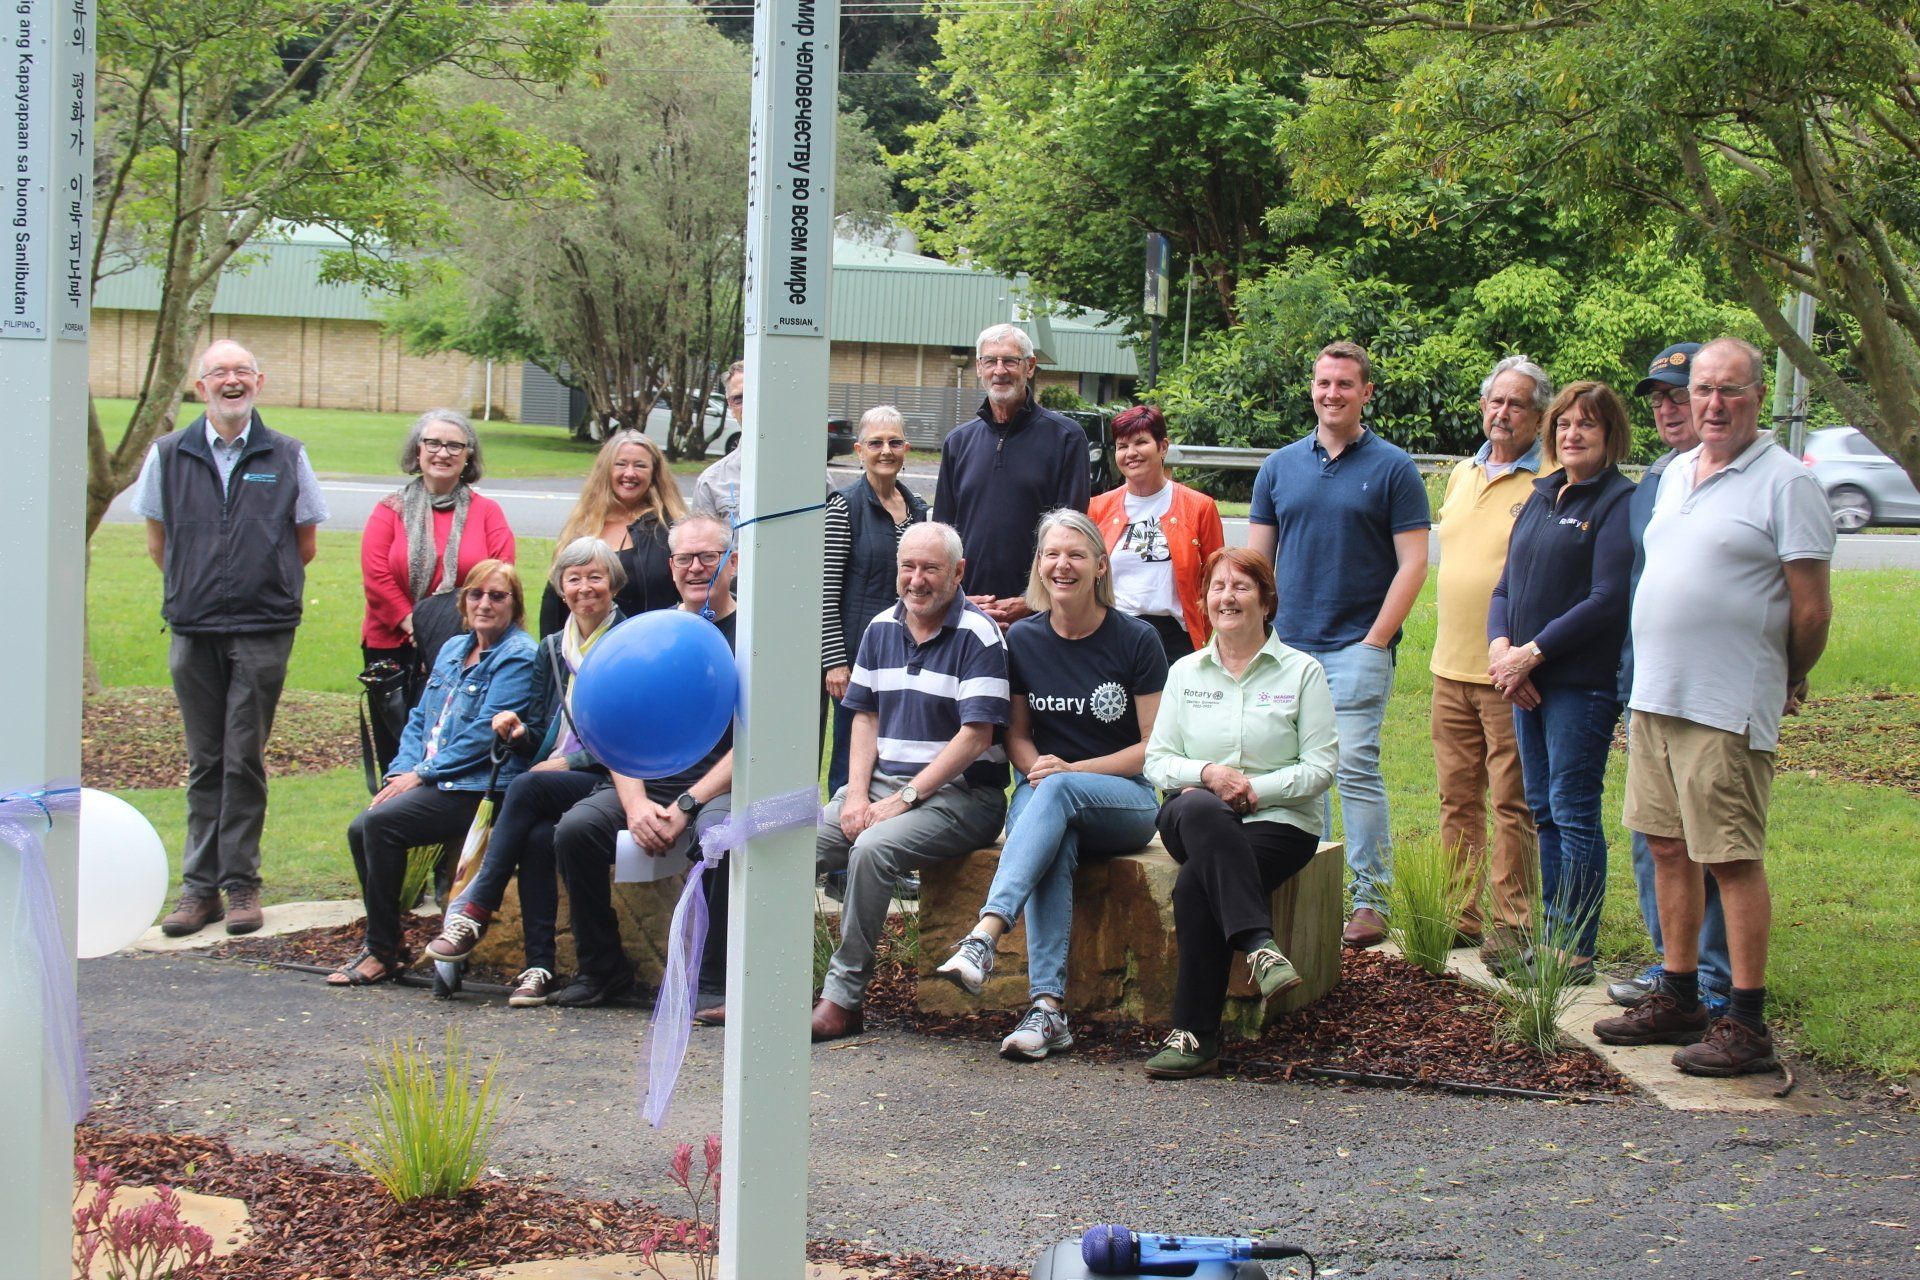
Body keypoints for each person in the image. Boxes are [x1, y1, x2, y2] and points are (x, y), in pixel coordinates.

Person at [1595, 338, 1834, 1076]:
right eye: (1703, 390)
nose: (1713, 404)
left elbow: (1813, 609)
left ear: (1758, 397)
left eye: (1730, 390)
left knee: (1729, 857)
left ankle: (1747, 1022)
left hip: (1727, 704)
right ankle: (1679, 994)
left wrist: (1782, 676)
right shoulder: (1676, 477)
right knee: (1666, 845)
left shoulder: (1786, 484)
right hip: (1657, 698)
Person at [932, 510, 1167, 1061]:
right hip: (1047, 796)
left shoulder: (1137, 639)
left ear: (1100, 566)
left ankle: (986, 935)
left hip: (1126, 801)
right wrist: (1043, 772)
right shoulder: (1025, 641)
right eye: (1051, 554)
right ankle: (1047, 1011)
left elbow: (1153, 747)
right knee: (1052, 835)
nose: (1063, 565)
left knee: (1055, 797)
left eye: (1076, 554)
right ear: (1039, 565)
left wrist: (1069, 774)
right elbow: (1015, 735)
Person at [132, 339, 330, 938]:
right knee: (205, 760)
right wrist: (201, 589)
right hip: (194, 629)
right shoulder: (167, 455)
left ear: (259, 382)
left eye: (242, 370)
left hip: (263, 629)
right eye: (219, 372)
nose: (232, 380)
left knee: (243, 757)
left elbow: (306, 545)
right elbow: (158, 544)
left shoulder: (287, 454)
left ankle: (240, 883)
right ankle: (199, 891)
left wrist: (254, 585)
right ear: (201, 387)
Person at [1246, 341, 1429, 949]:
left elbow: (1413, 565)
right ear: (1313, 388)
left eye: (1345, 385)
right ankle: (1310, 884)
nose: (1332, 394)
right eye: (1324, 383)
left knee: (1354, 771)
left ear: (1366, 392)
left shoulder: (1394, 468)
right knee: (1297, 775)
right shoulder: (1280, 467)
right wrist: (1262, 637)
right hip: (1290, 647)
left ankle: (1370, 899)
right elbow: (1257, 563)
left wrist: (1376, 641)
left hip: (1357, 646)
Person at [1140, 548, 1338, 1079]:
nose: (1227, 597)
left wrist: (1252, 791)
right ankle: (1258, 944)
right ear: (1204, 601)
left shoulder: (1303, 673)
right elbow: (1158, 762)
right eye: (1217, 588)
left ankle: (1194, 1036)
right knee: (1200, 805)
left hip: (1280, 824)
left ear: (1266, 600)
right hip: (1192, 816)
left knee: (1194, 888)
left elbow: (1320, 768)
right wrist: (1209, 775)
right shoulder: (1185, 672)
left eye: (1242, 587)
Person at [811, 522, 1012, 1041]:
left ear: (958, 573)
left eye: (930, 569)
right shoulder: (880, 627)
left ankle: (843, 998)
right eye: (908, 567)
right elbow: (863, 717)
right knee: (792, 844)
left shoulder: (980, 635)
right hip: (881, 788)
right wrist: (856, 794)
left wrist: (902, 798)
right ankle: (763, 982)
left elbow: (975, 736)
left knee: (872, 850)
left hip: (963, 796)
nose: (917, 580)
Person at [423, 538, 627, 1006]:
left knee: (528, 784)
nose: (584, 588)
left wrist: (570, 761)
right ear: (560, 588)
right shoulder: (553, 647)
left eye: (595, 576)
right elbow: (539, 733)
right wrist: (517, 732)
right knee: (537, 837)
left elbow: (635, 734)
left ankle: (476, 907)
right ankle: (539, 967)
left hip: (611, 776)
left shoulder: (629, 640)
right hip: (551, 779)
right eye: (573, 579)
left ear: (613, 583)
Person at [551, 515, 740, 1009]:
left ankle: (715, 983)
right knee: (576, 831)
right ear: (670, 565)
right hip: (646, 784)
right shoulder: (648, 633)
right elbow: (618, 726)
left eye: (708, 557)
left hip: (721, 787)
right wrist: (634, 806)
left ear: (733, 562)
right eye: (684, 559)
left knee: (718, 838)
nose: (696, 568)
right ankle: (602, 971)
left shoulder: (756, 638)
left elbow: (758, 743)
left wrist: (687, 803)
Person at [1487, 381, 1636, 984]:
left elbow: (1607, 599)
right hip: (1526, 681)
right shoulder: (1542, 494)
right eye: (1565, 425)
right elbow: (1506, 588)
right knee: (1543, 810)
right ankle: (1553, 934)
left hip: (1579, 683)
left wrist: (1533, 653)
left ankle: (1575, 948)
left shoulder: (1617, 502)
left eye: (1588, 426)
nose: (1573, 434)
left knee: (1574, 813)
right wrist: (1503, 652)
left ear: (1610, 436)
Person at [330, 561, 539, 986]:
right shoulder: (452, 649)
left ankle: (381, 952)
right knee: (361, 828)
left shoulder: (518, 655)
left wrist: (421, 775)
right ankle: (388, 943)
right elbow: (420, 718)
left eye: (498, 596)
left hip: (479, 786)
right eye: (476, 594)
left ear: (515, 606)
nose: (485, 603)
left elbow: (485, 737)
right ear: (464, 602)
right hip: (434, 779)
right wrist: (400, 773)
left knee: (381, 825)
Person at [1605, 343, 1732, 1018]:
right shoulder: (1658, 478)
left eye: (1678, 395)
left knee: (1708, 839)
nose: (1667, 409)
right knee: (1653, 836)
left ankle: (1713, 976)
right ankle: (1671, 969)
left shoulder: (1733, 476)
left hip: (1711, 691)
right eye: (1657, 398)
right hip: (1645, 682)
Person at [1429, 356, 1551, 967]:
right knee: (1456, 798)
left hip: (1508, 674)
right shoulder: (1461, 474)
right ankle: (1460, 913)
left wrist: (1527, 658)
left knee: (1513, 801)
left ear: (1539, 416)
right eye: (1495, 401)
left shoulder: (1551, 480)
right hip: (1449, 665)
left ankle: (1512, 920)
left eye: (1518, 405)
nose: (1502, 414)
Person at [360, 409, 516, 763]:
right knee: (397, 750)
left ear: (468, 456)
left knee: (450, 748)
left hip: (465, 645)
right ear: (417, 450)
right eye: (433, 443)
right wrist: (417, 625)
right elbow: (376, 576)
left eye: (454, 446)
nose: (442, 453)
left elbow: (499, 573)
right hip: (395, 645)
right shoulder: (389, 510)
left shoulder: (487, 512)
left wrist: (447, 632)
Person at [934, 323, 1091, 627]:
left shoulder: (1066, 438)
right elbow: (943, 535)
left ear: (1030, 367)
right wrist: (956, 597)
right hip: (967, 612)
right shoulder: (958, 442)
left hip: (1039, 616)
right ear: (979, 368)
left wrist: (1033, 600)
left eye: (1010, 361)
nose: (1000, 370)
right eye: (990, 361)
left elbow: (1071, 538)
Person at [820, 405, 930, 797]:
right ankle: (840, 855)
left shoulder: (918, 510)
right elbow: (826, 592)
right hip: (855, 658)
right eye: (876, 443)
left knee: (898, 758)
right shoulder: (844, 507)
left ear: (907, 449)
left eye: (895, 442)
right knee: (852, 761)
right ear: (859, 450)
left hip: (906, 656)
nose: (886, 450)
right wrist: (834, 661)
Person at [1088, 404, 1226, 661]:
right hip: (1113, 632)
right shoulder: (1097, 508)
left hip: (1175, 638)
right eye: (1122, 446)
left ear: (1163, 447)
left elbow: (1216, 580)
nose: (1131, 453)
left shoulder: (1199, 507)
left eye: (1140, 442)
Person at [540, 428, 684, 636]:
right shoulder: (581, 527)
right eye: (621, 464)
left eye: (640, 465)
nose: (629, 473)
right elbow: (555, 601)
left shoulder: (669, 531)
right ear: (606, 470)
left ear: (654, 473)